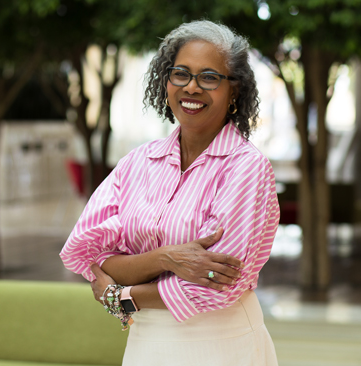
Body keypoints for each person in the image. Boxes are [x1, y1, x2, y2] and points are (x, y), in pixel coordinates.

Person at [60, 20, 280, 366]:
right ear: (166, 81)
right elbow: (85, 251)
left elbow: (218, 283)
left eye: (209, 77)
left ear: (234, 91)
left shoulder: (245, 167)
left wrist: (123, 294)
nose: (192, 87)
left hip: (220, 342)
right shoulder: (138, 162)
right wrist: (166, 259)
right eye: (181, 73)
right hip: (146, 342)